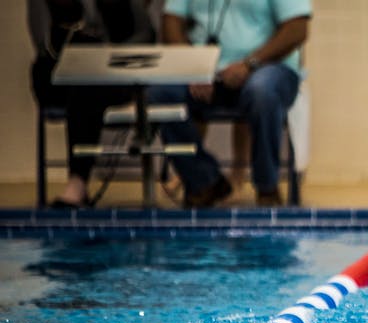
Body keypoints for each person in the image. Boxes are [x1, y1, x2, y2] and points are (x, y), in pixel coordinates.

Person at [147, 0, 310, 207]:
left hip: (267, 67)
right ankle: (205, 181)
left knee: (262, 91)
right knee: (160, 93)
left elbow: (297, 29)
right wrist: (193, 66)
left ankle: (267, 186)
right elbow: (171, 21)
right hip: (205, 74)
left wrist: (249, 64)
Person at [28, 0, 156, 208]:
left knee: (89, 84)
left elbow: (146, 34)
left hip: (106, 73)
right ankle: (77, 182)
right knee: (81, 81)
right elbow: (43, 44)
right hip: (57, 73)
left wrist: (111, 53)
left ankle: (77, 182)